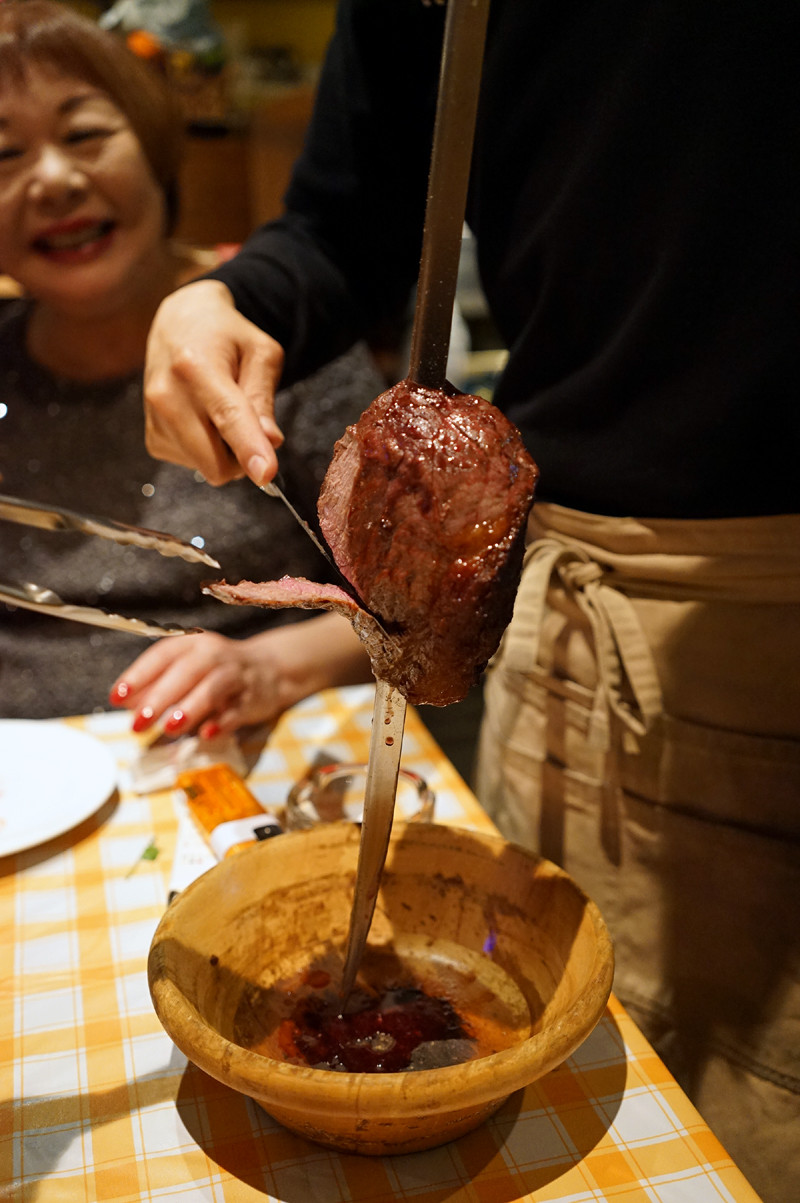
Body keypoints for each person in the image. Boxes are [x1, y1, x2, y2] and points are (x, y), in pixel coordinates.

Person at [138, 2, 800, 1196]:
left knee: (734, 1130)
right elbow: (349, 218)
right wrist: (231, 297)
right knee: (542, 1065)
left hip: (757, 617)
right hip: (543, 598)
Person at [0, 0, 381, 728]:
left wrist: (271, 664)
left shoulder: (273, 334)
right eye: (3, 155)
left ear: (157, 153)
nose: (52, 180)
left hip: (242, 746)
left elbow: (403, 616)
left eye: (85, 134)